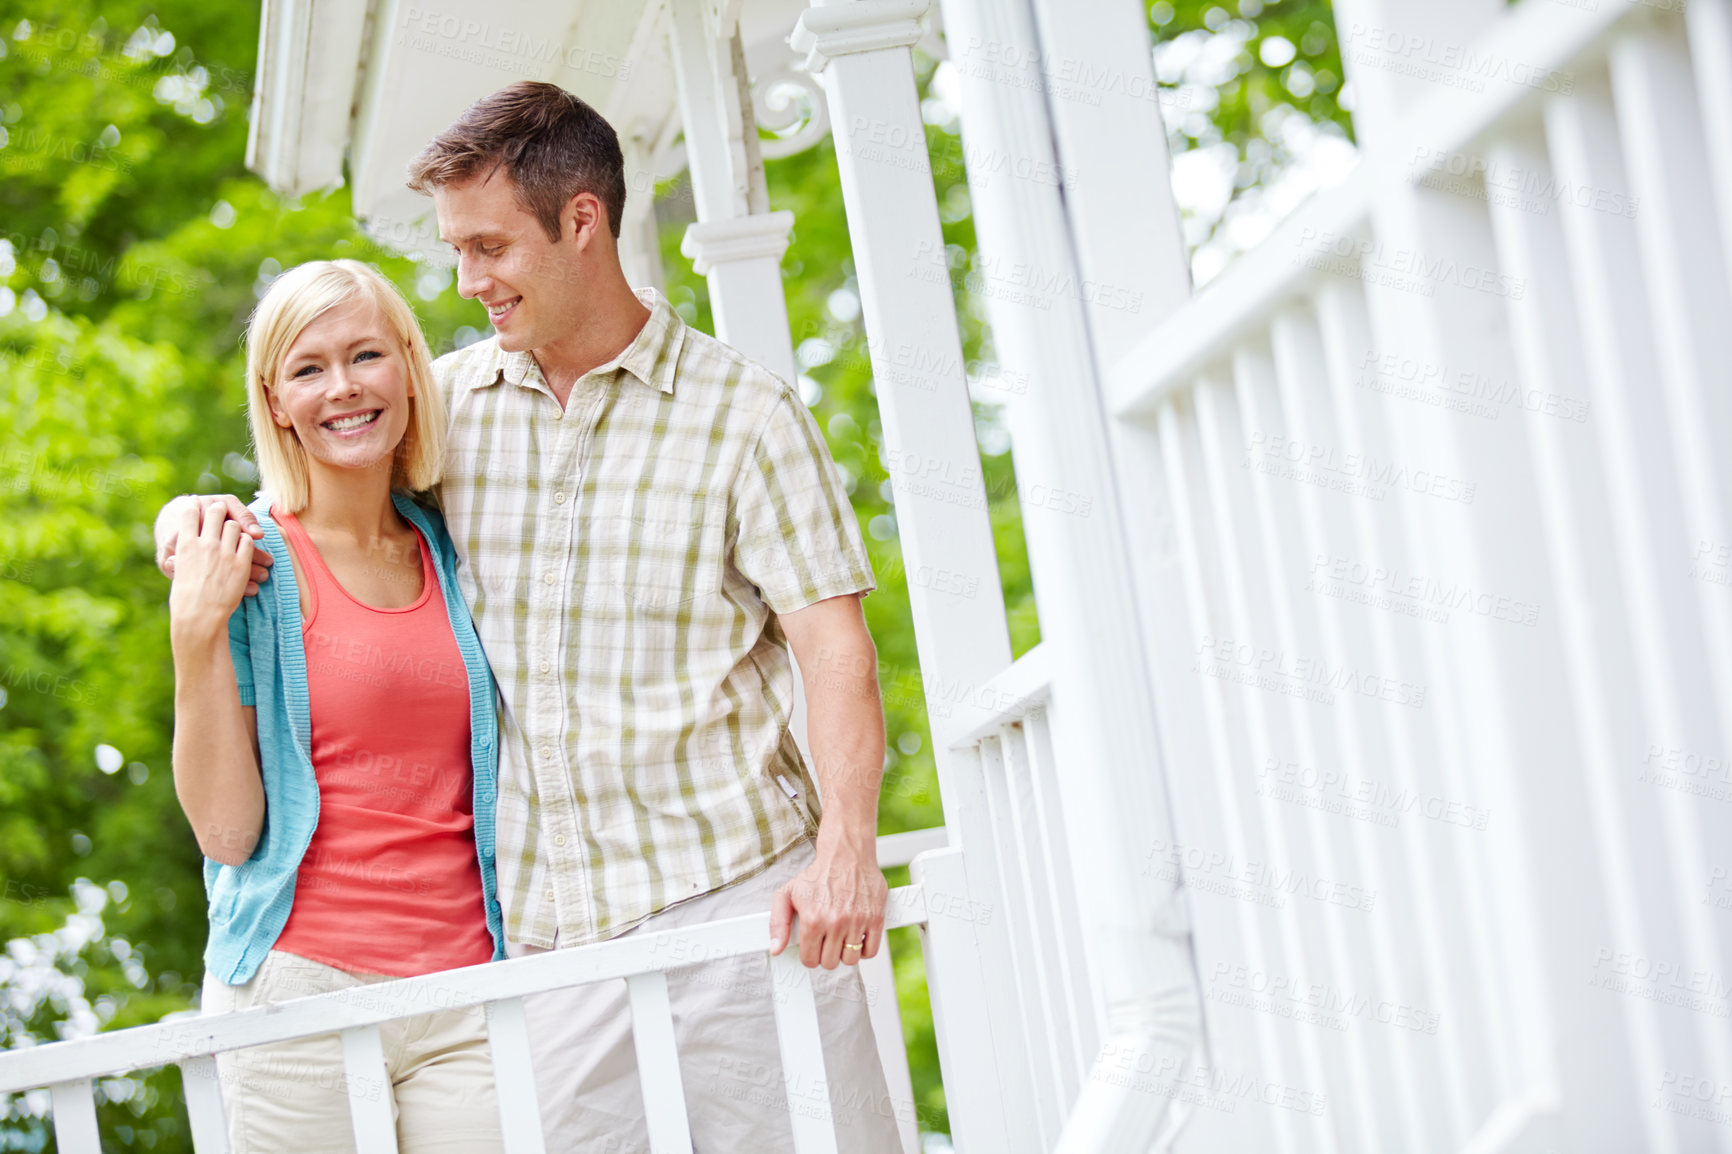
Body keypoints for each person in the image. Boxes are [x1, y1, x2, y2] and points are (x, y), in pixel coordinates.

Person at [160, 81, 901, 1151]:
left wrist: (848, 845)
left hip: (737, 900)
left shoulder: (745, 416)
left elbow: (834, 648)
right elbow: (322, 479)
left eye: (489, 248)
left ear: (583, 221)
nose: (468, 282)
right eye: (457, 251)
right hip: (548, 951)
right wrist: (188, 519)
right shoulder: (446, 405)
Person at [165, 258, 507, 1153]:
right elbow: (228, 837)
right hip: (297, 994)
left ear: (408, 365)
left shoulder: (455, 539)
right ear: (275, 401)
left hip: (467, 995)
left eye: (365, 356)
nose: (344, 388)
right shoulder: (248, 566)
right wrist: (193, 637)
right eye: (309, 369)